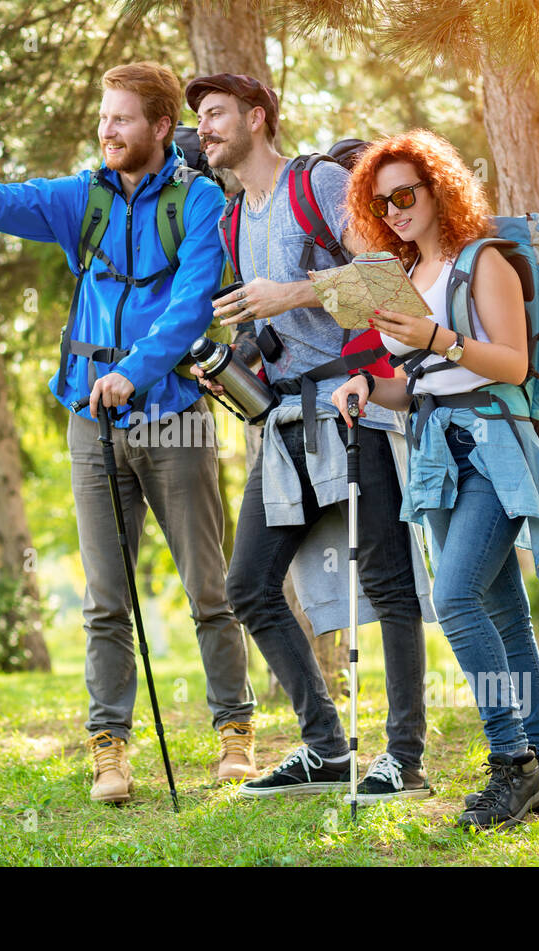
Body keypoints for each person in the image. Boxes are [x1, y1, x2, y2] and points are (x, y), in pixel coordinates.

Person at [0, 62, 257, 806]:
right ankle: (109, 750)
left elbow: (191, 304)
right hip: (90, 420)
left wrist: (135, 372)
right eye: (103, 118)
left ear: (159, 128)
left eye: (122, 119)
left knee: (209, 587)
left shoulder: (200, 202)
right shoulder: (81, 198)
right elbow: (0, 202)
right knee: (105, 599)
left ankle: (234, 733)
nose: (106, 130)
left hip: (172, 417)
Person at [329, 129, 539, 830]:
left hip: (492, 446)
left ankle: (511, 766)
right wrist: (365, 384)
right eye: (381, 202)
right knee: (503, 609)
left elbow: (510, 364)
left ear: (438, 189)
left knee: (452, 597)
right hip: (434, 450)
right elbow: (413, 387)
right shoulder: (395, 276)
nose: (394, 210)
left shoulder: (485, 261)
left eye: (405, 194)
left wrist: (437, 338)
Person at [186, 73, 431, 803]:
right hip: (286, 420)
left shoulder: (319, 182)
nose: (204, 128)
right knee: (250, 587)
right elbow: (277, 334)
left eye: (217, 113)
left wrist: (290, 291)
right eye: (199, 118)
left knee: (390, 585)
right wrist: (238, 364)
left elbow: (385, 280)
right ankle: (326, 749)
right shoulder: (235, 221)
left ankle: (405, 759)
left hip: (356, 405)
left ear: (257, 118)